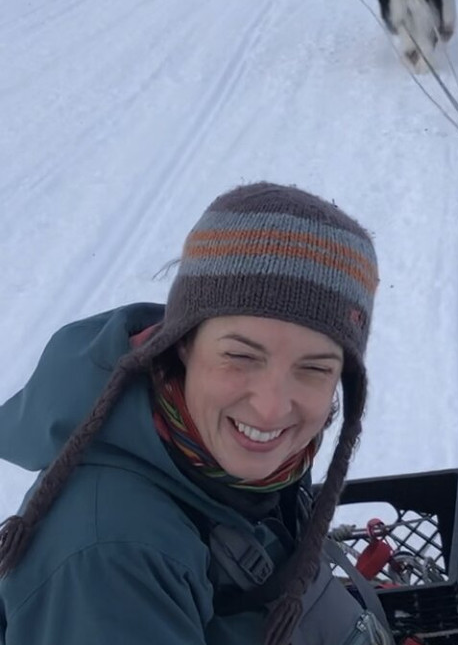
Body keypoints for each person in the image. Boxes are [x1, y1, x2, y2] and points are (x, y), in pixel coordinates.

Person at [0, 182, 385, 645]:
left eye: (314, 369)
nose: (270, 407)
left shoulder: (226, 458)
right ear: (182, 343)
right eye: (241, 356)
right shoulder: (113, 555)